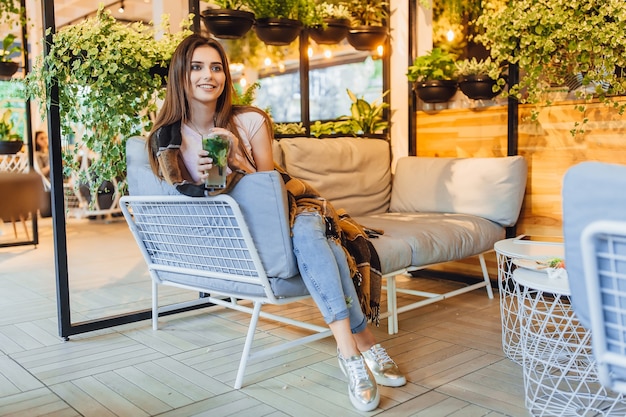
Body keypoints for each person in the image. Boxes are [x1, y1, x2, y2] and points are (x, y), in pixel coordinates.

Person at [147, 34, 405, 412]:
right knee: (327, 244)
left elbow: (272, 198)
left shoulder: (250, 121)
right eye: (197, 67)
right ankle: (363, 340)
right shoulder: (167, 142)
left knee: (309, 230)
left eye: (216, 67)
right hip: (237, 237)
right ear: (180, 76)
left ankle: (349, 354)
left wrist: (240, 162)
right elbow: (187, 204)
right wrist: (202, 184)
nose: (208, 76)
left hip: (285, 216)